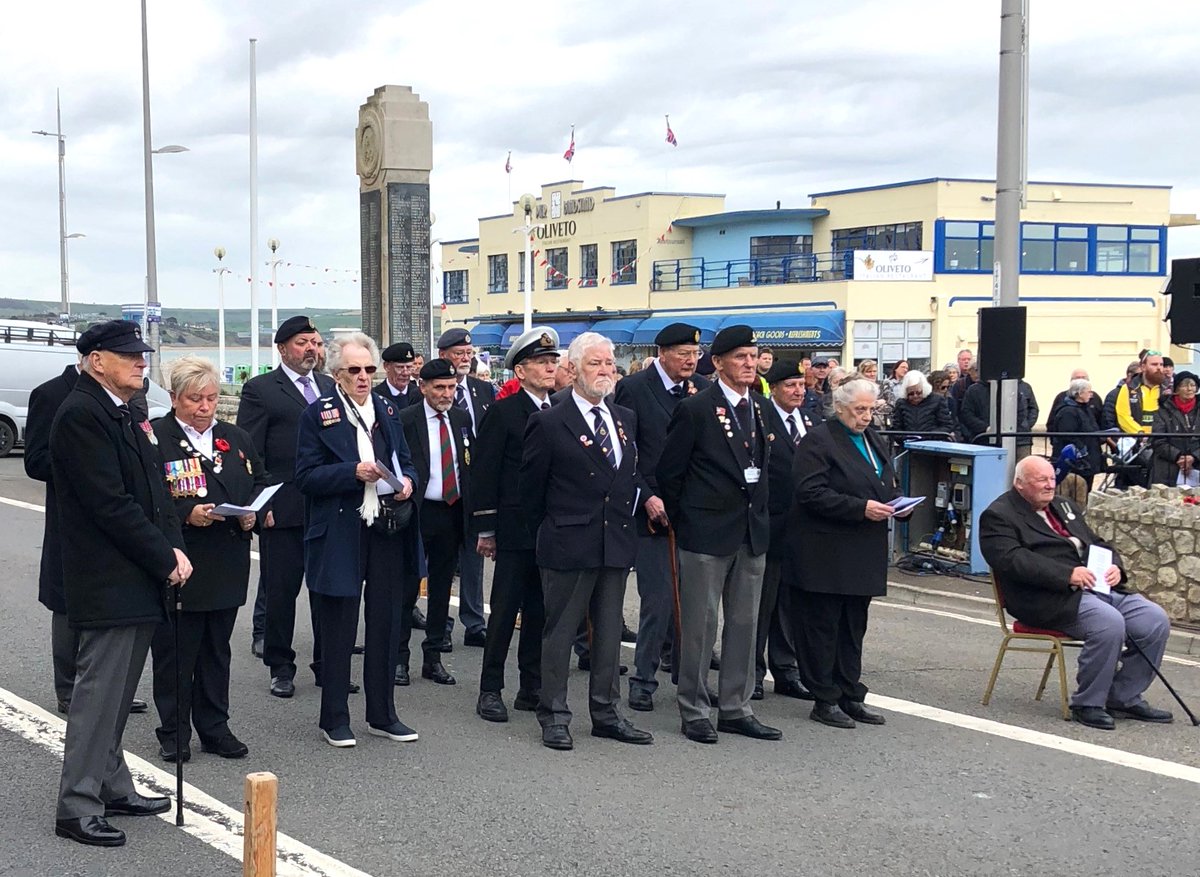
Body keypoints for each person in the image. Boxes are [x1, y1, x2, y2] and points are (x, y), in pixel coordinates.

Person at [50, 320, 191, 847]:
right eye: (129, 355)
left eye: (142, 354)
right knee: (98, 696)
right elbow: (109, 504)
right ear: (96, 361)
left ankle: (111, 785)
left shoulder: (127, 412)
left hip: (138, 575)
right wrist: (162, 554)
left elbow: (155, 488)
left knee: (118, 694)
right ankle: (77, 805)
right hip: (108, 578)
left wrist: (174, 546)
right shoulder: (82, 415)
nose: (141, 361)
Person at [520, 331, 652, 750]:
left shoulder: (623, 418)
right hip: (568, 542)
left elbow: (628, 477)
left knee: (609, 633)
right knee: (559, 633)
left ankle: (607, 712)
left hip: (614, 541)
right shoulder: (549, 420)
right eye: (596, 364)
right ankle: (555, 714)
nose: (605, 371)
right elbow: (531, 491)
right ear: (573, 369)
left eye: (610, 364)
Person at [979, 457, 1173, 730]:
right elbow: (1012, 561)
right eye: (1041, 480)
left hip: (1095, 587)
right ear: (1019, 484)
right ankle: (1088, 703)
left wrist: (1115, 566)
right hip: (1047, 598)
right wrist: (1066, 575)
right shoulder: (999, 515)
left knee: (1154, 619)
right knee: (1109, 622)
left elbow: (1097, 543)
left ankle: (1123, 696)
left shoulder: (1064, 506)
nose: (1050, 485)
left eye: (1051, 478)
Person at [294, 333, 420, 748]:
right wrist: (352, 472)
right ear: (336, 375)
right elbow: (306, 477)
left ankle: (382, 713)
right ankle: (334, 716)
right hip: (341, 527)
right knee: (339, 625)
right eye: (355, 370)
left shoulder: (386, 407)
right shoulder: (319, 414)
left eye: (369, 369)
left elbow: (406, 459)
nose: (364, 377)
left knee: (386, 620)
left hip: (386, 526)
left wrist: (407, 483)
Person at [658, 325, 782, 744]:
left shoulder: (761, 408)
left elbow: (767, 468)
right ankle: (693, 708)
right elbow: (670, 474)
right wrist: (686, 522)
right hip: (705, 533)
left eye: (753, 356)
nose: (749, 364)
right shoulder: (697, 410)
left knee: (745, 624)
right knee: (700, 625)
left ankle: (735, 706)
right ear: (719, 363)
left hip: (750, 532)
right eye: (740, 358)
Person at [150, 356, 266, 763]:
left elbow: (260, 481)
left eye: (212, 398)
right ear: (174, 397)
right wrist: (186, 515)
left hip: (228, 559)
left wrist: (254, 510)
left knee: (217, 651)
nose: (204, 407)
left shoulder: (235, 438)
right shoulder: (155, 437)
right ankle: (174, 730)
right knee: (177, 652)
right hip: (182, 562)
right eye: (195, 399)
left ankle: (214, 726)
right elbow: (148, 498)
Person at [25, 356, 150, 717]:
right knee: (66, 601)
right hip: (72, 514)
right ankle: (69, 689)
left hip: (119, 508)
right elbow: (35, 460)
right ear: (94, 359)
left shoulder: (129, 399)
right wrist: (86, 463)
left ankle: (109, 688)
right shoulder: (52, 394)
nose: (137, 364)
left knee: (112, 600)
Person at [785, 377, 901, 730]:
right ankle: (825, 696)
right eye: (859, 410)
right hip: (828, 548)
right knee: (823, 625)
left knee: (854, 626)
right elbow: (810, 492)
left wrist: (897, 503)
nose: (866, 417)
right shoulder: (819, 440)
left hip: (864, 547)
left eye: (871, 410)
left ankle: (851, 692)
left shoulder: (872, 438)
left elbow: (883, 480)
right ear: (839, 408)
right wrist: (859, 507)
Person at [237, 315, 334, 698]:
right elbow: (250, 452)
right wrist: (260, 505)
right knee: (281, 593)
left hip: (328, 505)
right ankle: (280, 665)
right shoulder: (261, 390)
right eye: (301, 343)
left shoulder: (329, 386)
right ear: (282, 349)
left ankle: (328, 663)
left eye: (315, 342)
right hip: (285, 508)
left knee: (329, 590)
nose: (311, 348)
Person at [613, 322, 708, 712]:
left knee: (695, 600)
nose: (690, 361)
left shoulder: (701, 388)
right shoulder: (634, 389)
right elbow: (625, 451)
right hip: (648, 511)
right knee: (658, 599)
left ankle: (689, 679)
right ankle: (643, 679)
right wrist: (647, 496)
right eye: (683, 353)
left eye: (695, 354)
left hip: (692, 510)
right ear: (662, 353)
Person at [473, 328, 560, 722]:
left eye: (553, 361)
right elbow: (486, 473)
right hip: (513, 527)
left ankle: (531, 685)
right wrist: (486, 529)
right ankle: (490, 688)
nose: (550, 367)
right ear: (520, 371)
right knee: (505, 612)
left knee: (541, 612)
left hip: (552, 529)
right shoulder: (504, 413)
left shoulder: (559, 409)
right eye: (542, 362)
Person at [396, 357, 474, 686]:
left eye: (451, 387)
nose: (446, 394)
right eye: (439, 387)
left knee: (442, 587)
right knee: (407, 586)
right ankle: (399, 658)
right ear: (423, 387)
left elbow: (468, 464)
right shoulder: (406, 419)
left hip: (451, 510)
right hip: (418, 511)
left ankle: (433, 656)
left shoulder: (460, 418)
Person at [754, 359, 815, 701]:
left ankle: (787, 670)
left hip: (802, 529)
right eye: (790, 386)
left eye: (801, 385)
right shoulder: (761, 418)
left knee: (789, 606)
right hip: (771, 522)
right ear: (774, 388)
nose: (797, 391)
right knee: (760, 605)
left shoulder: (809, 421)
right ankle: (752, 671)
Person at [436, 327, 492, 648]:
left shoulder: (482, 391)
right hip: (443, 487)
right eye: (460, 354)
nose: (466, 359)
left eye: (469, 354)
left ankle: (474, 621)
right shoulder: (429, 391)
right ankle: (439, 622)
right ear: (444, 355)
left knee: (475, 557)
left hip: (476, 488)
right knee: (441, 560)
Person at [960, 372, 1039, 457]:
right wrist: (986, 428)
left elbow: (1026, 410)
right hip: (984, 440)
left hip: (1019, 439)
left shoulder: (1016, 387)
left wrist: (1022, 425)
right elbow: (966, 413)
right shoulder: (974, 390)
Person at [1051, 378, 1103, 493]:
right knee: (1075, 490)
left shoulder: (1085, 409)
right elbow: (1068, 435)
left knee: (1086, 489)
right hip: (1076, 462)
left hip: (1088, 459)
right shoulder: (1068, 412)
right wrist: (1082, 450)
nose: (1091, 395)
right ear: (1079, 393)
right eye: (1089, 392)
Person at [1151, 370, 1200, 485]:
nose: (1189, 389)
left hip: (1197, 466)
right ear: (1176, 389)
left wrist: (1194, 457)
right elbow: (1158, 441)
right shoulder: (1163, 411)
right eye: (1184, 385)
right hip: (1168, 470)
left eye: (1193, 385)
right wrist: (1179, 456)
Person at [891, 370, 955, 439]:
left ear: (924, 389)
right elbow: (896, 429)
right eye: (911, 393)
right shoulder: (901, 403)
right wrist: (906, 438)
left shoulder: (938, 400)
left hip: (932, 445)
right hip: (908, 445)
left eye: (918, 392)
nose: (915, 396)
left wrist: (928, 437)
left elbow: (947, 426)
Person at [1115, 350, 1164, 435]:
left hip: (1161, 441)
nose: (1159, 368)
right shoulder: (1128, 388)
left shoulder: (1167, 390)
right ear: (1143, 367)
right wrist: (1139, 433)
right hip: (1137, 440)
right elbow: (1123, 416)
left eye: (1161, 364)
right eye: (1154, 364)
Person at [376, 341, 422, 413]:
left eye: (409, 367)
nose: (405, 373)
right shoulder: (375, 396)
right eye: (400, 367)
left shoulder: (420, 395)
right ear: (387, 366)